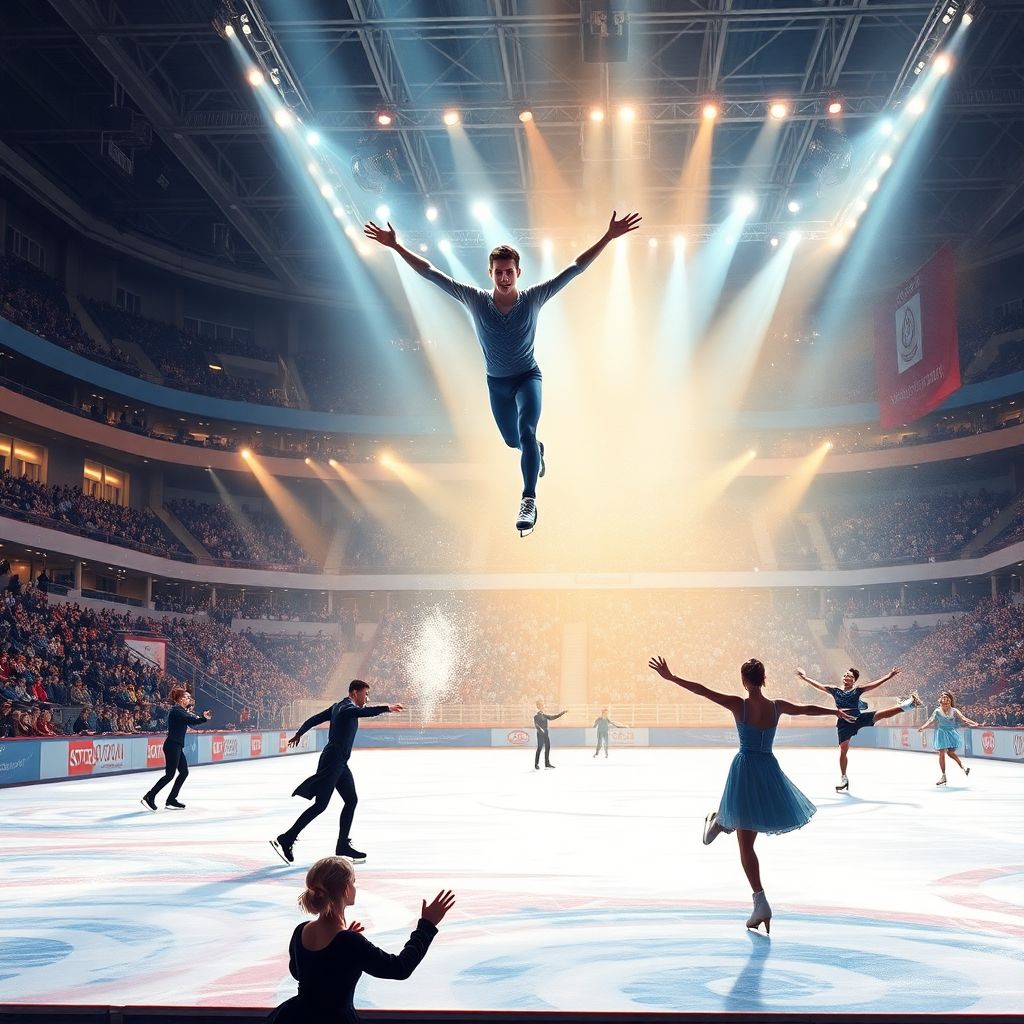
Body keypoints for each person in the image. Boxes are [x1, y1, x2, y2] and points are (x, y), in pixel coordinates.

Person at [363, 211, 642, 535]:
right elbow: (431, 273)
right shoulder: (475, 299)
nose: (504, 278)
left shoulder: (534, 297)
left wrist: (607, 237)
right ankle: (536, 451)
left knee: (525, 429)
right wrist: (397, 247)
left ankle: (528, 499)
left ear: (518, 272)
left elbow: (574, 269)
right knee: (515, 442)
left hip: (527, 378)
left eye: (509, 272)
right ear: (490, 273)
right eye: (499, 273)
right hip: (497, 384)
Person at [650, 655, 858, 933]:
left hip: (746, 768)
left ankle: (752, 886)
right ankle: (722, 826)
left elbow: (703, 690)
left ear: (744, 682)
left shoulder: (740, 705)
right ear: (764, 680)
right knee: (746, 837)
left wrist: (672, 677)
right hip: (767, 770)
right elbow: (805, 708)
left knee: (744, 843)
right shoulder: (776, 707)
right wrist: (833, 713)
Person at [268, 856, 455, 1024]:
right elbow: (400, 968)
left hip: (295, 1017)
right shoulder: (349, 942)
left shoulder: (301, 930)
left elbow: (300, 972)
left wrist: (341, 954)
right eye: (354, 882)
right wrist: (426, 926)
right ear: (346, 888)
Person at [272, 680, 404, 865]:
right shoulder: (345, 708)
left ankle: (342, 845)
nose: (367, 698)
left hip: (340, 761)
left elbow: (313, 720)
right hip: (333, 761)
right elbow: (362, 712)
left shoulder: (337, 707)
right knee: (321, 805)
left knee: (351, 800)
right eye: (365, 694)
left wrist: (300, 733)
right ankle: (287, 838)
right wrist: (386, 708)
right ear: (354, 693)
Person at [796, 666, 922, 792]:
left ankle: (909, 705)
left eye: (850, 676)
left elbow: (874, 685)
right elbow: (819, 686)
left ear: (854, 680)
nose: (846, 677)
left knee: (880, 714)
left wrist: (889, 676)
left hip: (858, 718)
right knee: (843, 750)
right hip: (844, 723)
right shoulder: (835, 690)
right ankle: (844, 778)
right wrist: (805, 678)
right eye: (845, 675)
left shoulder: (857, 690)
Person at [140, 686, 211, 811]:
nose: (189, 699)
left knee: (184, 772)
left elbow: (192, 718)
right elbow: (191, 720)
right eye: (186, 697)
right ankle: (150, 796)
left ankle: (171, 799)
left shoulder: (182, 711)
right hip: (172, 745)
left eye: (189, 697)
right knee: (170, 775)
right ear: (179, 699)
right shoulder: (176, 711)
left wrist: (202, 718)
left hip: (176, 745)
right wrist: (203, 718)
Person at [918, 690, 979, 786]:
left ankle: (963, 767)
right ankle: (943, 776)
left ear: (950, 702)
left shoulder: (954, 711)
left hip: (951, 733)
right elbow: (930, 720)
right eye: (943, 703)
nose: (945, 705)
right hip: (941, 733)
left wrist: (974, 723)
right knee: (941, 753)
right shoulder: (937, 711)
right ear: (941, 702)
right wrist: (923, 727)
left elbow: (963, 718)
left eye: (947, 703)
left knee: (950, 753)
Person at [533, 698, 567, 770]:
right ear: (539, 706)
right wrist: (540, 729)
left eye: (543, 705)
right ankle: (536, 764)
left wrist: (562, 713)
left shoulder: (544, 715)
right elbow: (536, 725)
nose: (543, 706)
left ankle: (547, 763)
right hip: (540, 734)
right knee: (539, 749)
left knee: (547, 748)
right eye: (542, 705)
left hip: (545, 734)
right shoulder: (536, 716)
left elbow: (553, 717)